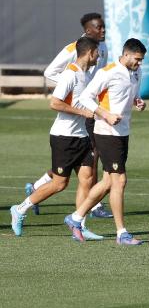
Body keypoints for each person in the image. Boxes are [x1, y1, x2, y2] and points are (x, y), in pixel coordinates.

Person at [10, 37, 101, 238]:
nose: (99, 56)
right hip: (63, 137)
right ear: (89, 53)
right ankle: (20, 209)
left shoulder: (87, 74)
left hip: (81, 136)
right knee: (60, 184)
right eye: (97, 52)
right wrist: (82, 112)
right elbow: (55, 103)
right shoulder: (70, 75)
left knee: (87, 179)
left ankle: (79, 226)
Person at [63, 38, 147, 245]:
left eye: (141, 60)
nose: (139, 63)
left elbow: (131, 94)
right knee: (119, 181)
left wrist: (138, 101)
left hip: (122, 132)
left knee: (109, 181)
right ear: (126, 55)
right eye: (137, 59)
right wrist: (105, 114)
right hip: (106, 132)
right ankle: (122, 233)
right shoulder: (107, 72)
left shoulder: (136, 72)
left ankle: (75, 217)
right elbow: (85, 97)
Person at [27, 12, 111, 218]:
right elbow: (49, 72)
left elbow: (98, 78)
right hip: (80, 111)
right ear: (87, 30)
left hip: (92, 108)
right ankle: (93, 206)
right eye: (98, 27)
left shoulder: (103, 48)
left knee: (88, 159)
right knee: (89, 158)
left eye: (103, 26)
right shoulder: (73, 49)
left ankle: (39, 187)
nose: (103, 30)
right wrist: (71, 88)